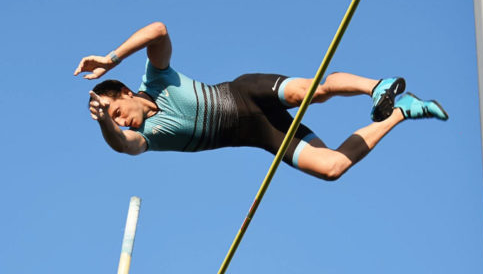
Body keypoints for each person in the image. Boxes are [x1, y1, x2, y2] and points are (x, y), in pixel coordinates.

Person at [74, 22, 447, 181]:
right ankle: (402, 111)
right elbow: (123, 146)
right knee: (332, 167)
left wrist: (112, 58)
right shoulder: (149, 137)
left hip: (246, 91)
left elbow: (159, 30)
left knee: (312, 92)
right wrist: (103, 122)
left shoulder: (155, 79)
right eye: (115, 120)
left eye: (117, 112)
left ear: (125, 94)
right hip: (262, 133)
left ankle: (377, 87)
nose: (121, 121)